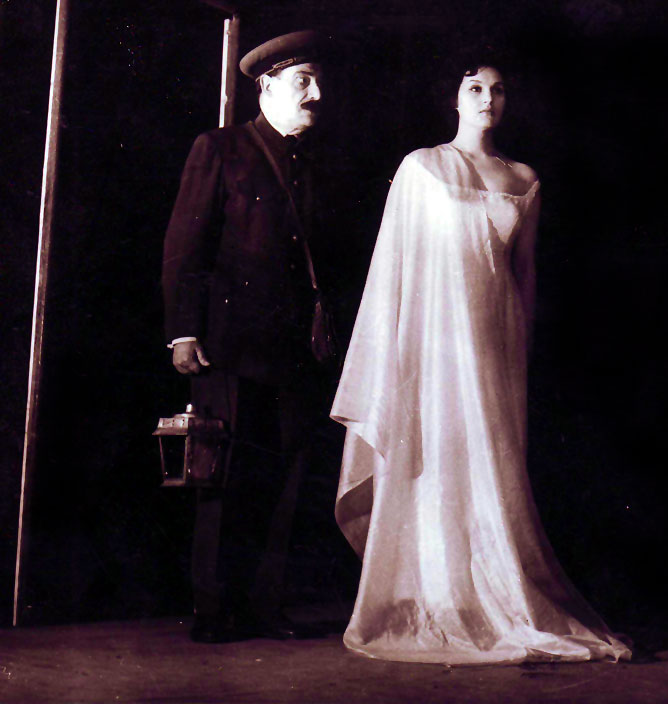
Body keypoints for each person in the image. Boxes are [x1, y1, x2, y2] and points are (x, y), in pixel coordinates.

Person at [330, 57, 631, 664]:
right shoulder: (422, 167)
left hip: (496, 341)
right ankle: (439, 597)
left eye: (498, 90)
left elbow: (525, 272)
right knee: (435, 456)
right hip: (434, 344)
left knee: (490, 464)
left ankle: (496, 594)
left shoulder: (523, 177)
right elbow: (393, 268)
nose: (487, 99)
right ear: (454, 98)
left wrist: (520, 349)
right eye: (475, 88)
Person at [162, 30, 334, 643]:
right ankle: (213, 610)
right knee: (222, 475)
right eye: (302, 81)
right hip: (229, 347)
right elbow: (185, 246)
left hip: (295, 351)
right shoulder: (220, 148)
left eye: (318, 82)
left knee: (283, 482)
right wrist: (183, 332)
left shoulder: (315, 164)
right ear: (266, 86)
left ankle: (265, 605)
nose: (316, 94)